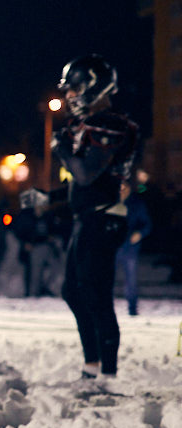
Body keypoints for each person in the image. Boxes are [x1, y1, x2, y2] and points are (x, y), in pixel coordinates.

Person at [20, 54, 139, 384]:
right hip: (88, 218)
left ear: (93, 87)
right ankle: (92, 365)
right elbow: (79, 186)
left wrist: (61, 150)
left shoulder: (111, 125)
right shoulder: (87, 127)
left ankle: (108, 374)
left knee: (95, 294)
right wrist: (49, 198)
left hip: (105, 219)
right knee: (73, 292)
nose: (69, 96)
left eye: (74, 89)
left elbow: (87, 175)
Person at [116, 180, 152, 316]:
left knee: (130, 278)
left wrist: (140, 233)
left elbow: (147, 224)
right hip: (113, 246)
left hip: (130, 247)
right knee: (106, 277)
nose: (122, 190)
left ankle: (132, 307)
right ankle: (104, 306)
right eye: (120, 187)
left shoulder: (136, 204)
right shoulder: (112, 201)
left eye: (125, 187)